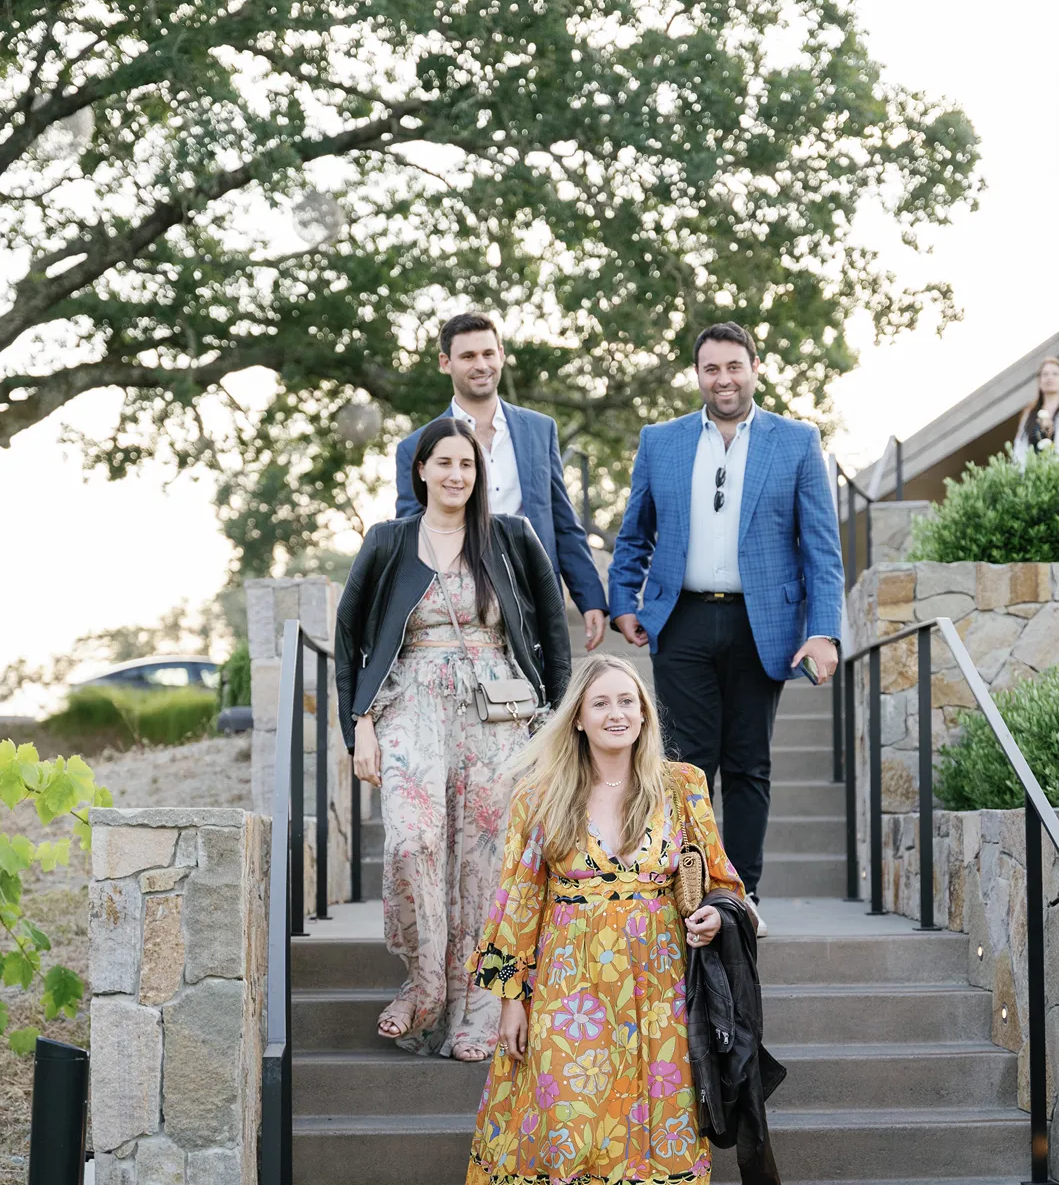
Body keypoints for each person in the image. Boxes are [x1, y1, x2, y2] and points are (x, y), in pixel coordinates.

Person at [431, 654, 743, 1185]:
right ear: (578, 714)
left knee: (641, 1151)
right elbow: (516, 899)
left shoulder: (679, 787)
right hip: (571, 999)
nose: (615, 713)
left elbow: (722, 882)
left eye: (627, 702)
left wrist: (707, 918)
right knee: (586, 1140)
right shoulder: (543, 793)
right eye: (600, 702)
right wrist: (509, 998)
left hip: (662, 998)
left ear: (644, 713)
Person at [335, 418, 572, 1060]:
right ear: (421, 470)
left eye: (466, 464)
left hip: (497, 711)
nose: (455, 475)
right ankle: (423, 986)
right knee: (415, 840)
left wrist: (556, 724)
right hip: (410, 700)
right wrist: (357, 722)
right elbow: (350, 635)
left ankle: (479, 1006)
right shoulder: (388, 541)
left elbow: (552, 627)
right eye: (443, 463)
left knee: (485, 856)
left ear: (479, 472)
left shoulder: (511, 539)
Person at [605, 321, 845, 934]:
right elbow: (634, 533)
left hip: (763, 624)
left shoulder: (795, 443)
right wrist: (623, 599)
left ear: (754, 367)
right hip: (680, 619)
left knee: (747, 764)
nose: (724, 379)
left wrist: (824, 631)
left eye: (734, 366)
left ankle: (740, 895)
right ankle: (683, 890)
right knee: (685, 767)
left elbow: (822, 549)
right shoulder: (661, 441)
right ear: (698, 375)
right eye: (711, 369)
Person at [395, 311, 609, 650]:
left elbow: (562, 521)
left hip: (534, 592)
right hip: (459, 602)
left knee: (543, 698)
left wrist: (591, 598)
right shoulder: (416, 447)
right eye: (468, 356)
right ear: (445, 362)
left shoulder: (540, 430)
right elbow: (409, 535)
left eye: (488, 353)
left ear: (501, 355)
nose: (481, 365)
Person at [1013, 355, 1059, 466]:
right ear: (1039, 380)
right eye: (1045, 374)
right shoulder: (1029, 414)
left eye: (1055, 374)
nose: (1049, 378)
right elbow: (1019, 446)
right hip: (1035, 477)